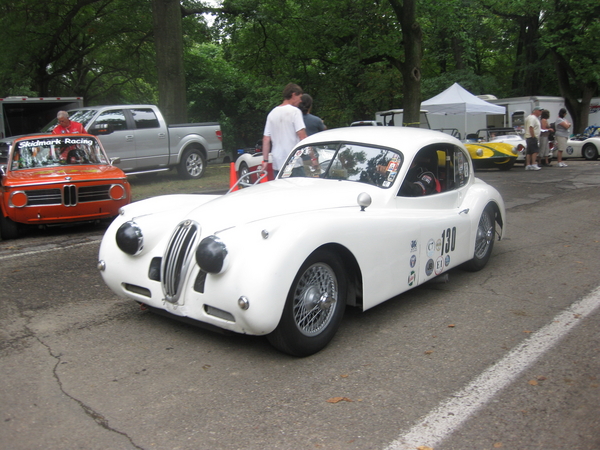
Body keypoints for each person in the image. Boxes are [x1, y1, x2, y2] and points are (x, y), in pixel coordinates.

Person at [262, 83, 307, 176]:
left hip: (277, 163)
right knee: (299, 190)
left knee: (282, 190)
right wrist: (312, 157)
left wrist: (265, 160)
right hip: (293, 162)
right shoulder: (295, 112)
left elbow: (266, 139)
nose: (300, 100)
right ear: (293, 94)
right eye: (300, 97)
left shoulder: (272, 113)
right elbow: (302, 137)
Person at [524, 106, 543, 171]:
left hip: (528, 137)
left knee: (529, 152)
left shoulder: (530, 117)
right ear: (535, 111)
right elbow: (531, 127)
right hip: (531, 137)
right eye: (539, 111)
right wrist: (533, 136)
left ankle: (528, 164)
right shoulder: (532, 118)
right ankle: (533, 164)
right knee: (535, 151)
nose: (541, 112)